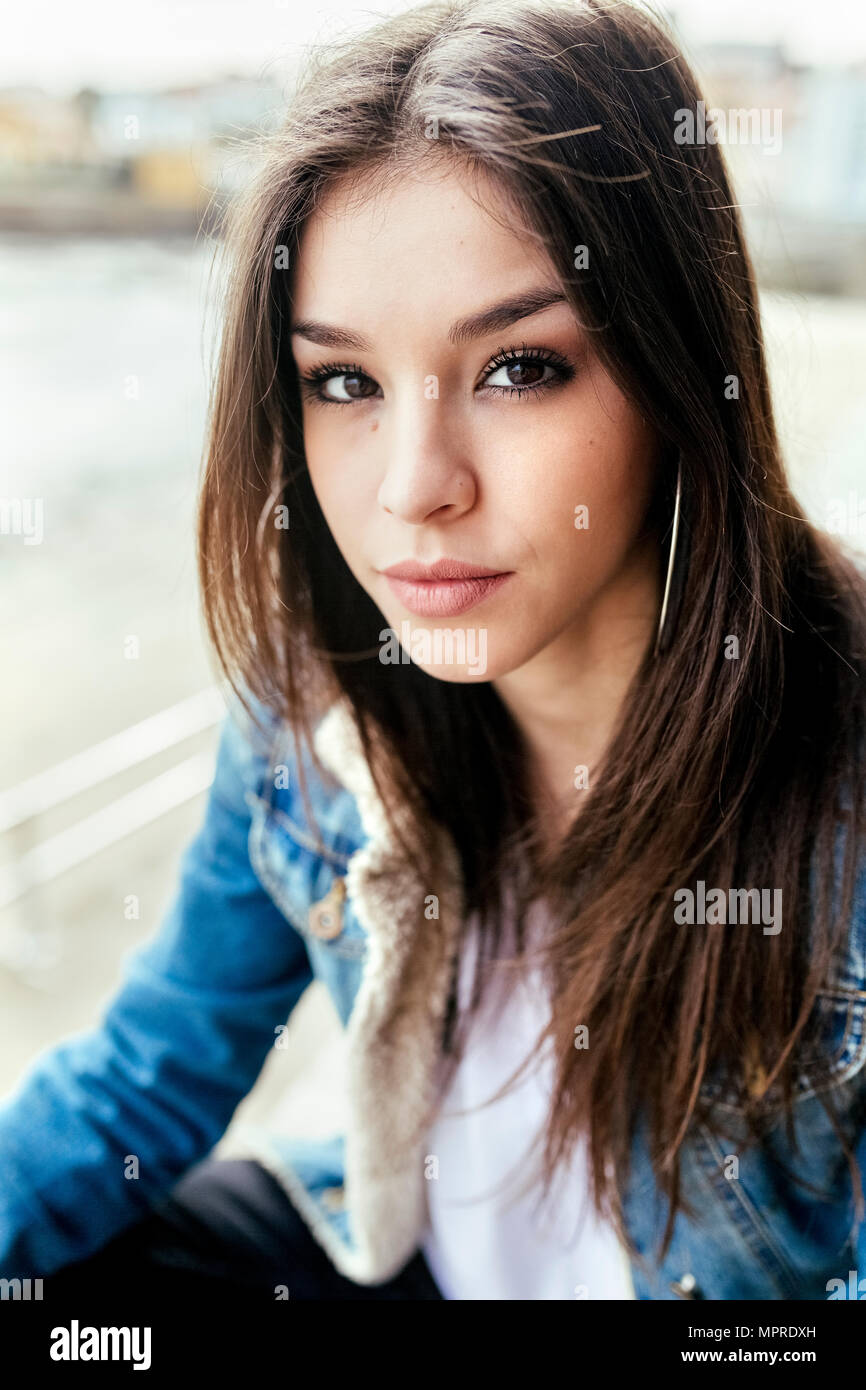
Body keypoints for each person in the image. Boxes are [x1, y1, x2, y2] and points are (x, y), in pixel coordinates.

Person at [2, 0, 866, 1302]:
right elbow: (148, 1074)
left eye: (518, 367)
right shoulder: (318, 707)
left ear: (679, 362)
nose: (413, 488)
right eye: (342, 382)